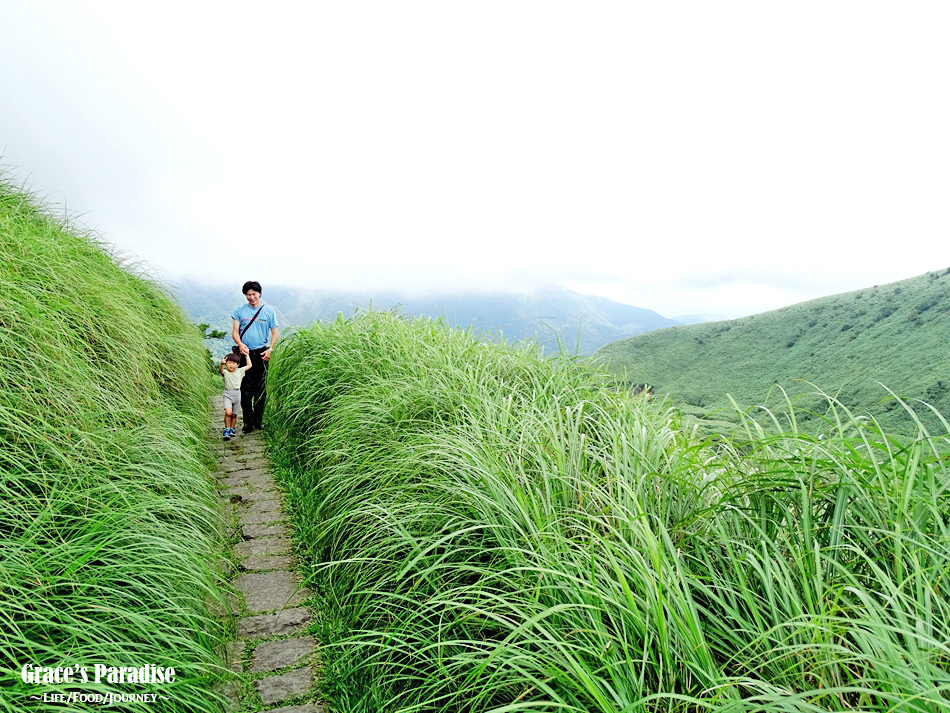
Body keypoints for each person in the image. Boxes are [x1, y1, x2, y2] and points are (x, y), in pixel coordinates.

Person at [231, 281, 279, 433]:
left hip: (262, 354)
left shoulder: (269, 312)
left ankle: (258, 421)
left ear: (260, 294)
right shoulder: (239, 311)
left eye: (254, 294)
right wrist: (240, 344)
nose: (251, 297)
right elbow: (235, 332)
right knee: (245, 390)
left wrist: (270, 349)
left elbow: (275, 332)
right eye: (248, 294)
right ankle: (247, 423)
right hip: (245, 355)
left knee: (261, 389)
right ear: (245, 295)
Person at [218, 353, 253, 440]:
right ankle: (227, 429)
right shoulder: (225, 372)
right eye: (229, 363)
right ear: (226, 364)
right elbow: (220, 371)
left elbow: (249, 365)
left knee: (234, 414)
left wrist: (247, 355)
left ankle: (232, 429)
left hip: (237, 394)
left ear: (238, 365)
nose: (231, 365)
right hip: (227, 394)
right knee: (228, 412)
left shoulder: (240, 371)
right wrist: (221, 364)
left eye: (234, 363)